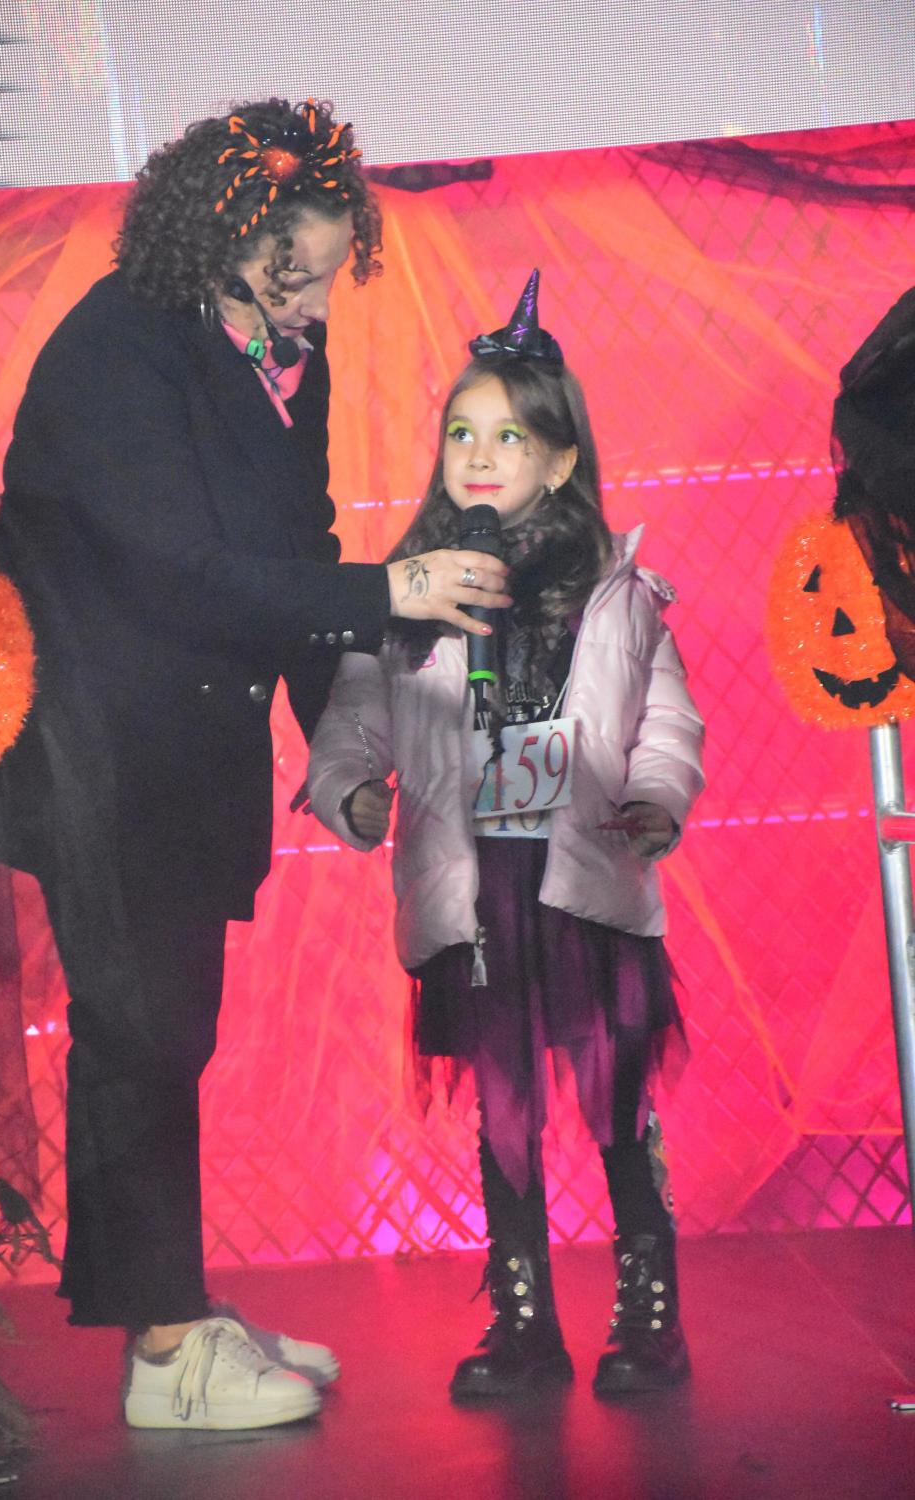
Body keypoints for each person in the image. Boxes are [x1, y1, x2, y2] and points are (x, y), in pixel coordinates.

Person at [0, 98, 510, 1433]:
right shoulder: (115, 350)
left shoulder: (278, 353)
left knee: (169, 1031)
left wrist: (341, 743)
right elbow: (182, 574)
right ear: (218, 238)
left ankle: (174, 1313)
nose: (312, 304)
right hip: (96, 745)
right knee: (141, 1032)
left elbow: (294, 552)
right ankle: (164, 1349)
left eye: (324, 273)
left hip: (183, 739)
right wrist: (394, 590)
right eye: (289, 274)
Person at [306, 273, 705, 1400]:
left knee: (614, 1097)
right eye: (461, 433)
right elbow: (355, 714)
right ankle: (524, 1321)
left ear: (561, 461)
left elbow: (666, 717)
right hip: (474, 882)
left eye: (510, 436)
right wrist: (350, 789)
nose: (479, 456)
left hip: (577, 875)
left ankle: (650, 1309)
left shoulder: (613, 591)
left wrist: (657, 798)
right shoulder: (412, 591)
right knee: (505, 1106)